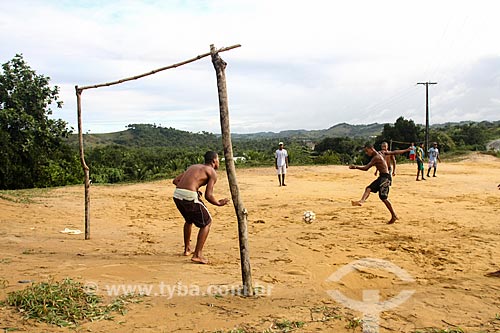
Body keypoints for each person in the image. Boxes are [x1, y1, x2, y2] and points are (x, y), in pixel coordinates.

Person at [172, 151, 230, 264]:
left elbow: (175, 181)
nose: (219, 162)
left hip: (177, 195)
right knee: (207, 222)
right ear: (214, 161)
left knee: (189, 220)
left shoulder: (193, 167)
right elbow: (208, 196)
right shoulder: (211, 172)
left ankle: (187, 248)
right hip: (189, 197)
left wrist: (194, 189)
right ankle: (197, 254)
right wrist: (218, 203)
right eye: (218, 160)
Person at [349, 143, 411, 224]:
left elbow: (366, 168)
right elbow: (394, 152)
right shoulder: (382, 153)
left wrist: (355, 167)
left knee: (383, 197)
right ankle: (361, 201)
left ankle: (394, 215)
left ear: (371, 149)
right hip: (382, 177)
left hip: (385, 178)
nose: (367, 153)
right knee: (368, 188)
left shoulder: (376, 157)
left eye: (367, 151)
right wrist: (406, 150)